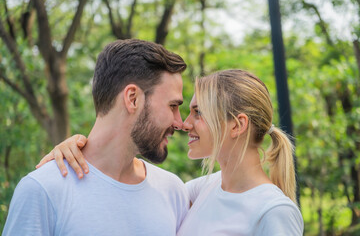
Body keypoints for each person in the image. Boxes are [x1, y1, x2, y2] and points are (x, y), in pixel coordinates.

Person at [35, 69, 304, 235]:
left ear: (237, 125)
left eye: (198, 113)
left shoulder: (273, 210)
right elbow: (129, 198)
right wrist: (81, 146)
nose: (184, 123)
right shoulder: (200, 190)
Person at [2, 39, 190, 235]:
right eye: (173, 106)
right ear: (132, 98)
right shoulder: (43, 190)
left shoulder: (173, 191)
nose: (180, 122)